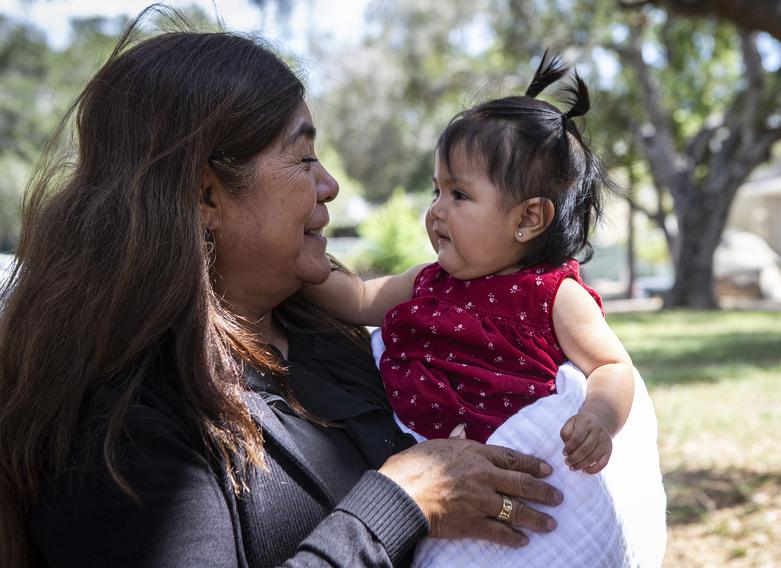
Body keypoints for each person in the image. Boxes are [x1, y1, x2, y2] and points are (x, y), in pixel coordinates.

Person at [0, 18, 568, 568]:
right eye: (303, 158)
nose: (330, 185)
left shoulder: (322, 333)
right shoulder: (119, 421)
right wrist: (403, 502)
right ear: (206, 196)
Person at [303, 53, 634, 474]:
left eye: (458, 194)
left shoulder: (555, 297)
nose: (437, 210)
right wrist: (297, 262)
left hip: (503, 471)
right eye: (435, 191)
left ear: (528, 218)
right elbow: (359, 298)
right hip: (410, 459)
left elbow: (611, 365)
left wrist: (599, 419)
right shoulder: (429, 281)